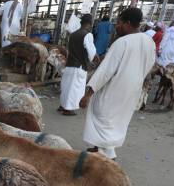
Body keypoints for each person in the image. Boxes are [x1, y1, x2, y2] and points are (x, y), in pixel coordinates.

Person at [79, 8, 155, 160]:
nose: (116, 26)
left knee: (102, 117)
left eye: (119, 22)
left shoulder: (122, 42)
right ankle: (99, 149)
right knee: (116, 122)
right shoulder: (149, 41)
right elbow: (149, 65)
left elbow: (105, 72)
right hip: (132, 91)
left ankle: (106, 156)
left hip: (113, 90)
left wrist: (88, 94)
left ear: (127, 23)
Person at [59, 14, 97, 116]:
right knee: (74, 89)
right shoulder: (87, 35)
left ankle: (62, 106)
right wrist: (90, 61)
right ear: (90, 24)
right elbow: (91, 53)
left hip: (69, 64)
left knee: (66, 86)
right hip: (79, 66)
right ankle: (68, 109)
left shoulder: (73, 34)